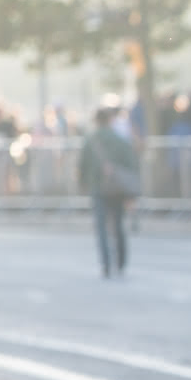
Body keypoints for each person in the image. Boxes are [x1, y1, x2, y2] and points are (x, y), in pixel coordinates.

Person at [77, 104, 141, 278]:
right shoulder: (120, 139)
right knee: (118, 224)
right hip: (118, 188)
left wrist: (83, 185)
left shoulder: (90, 140)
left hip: (98, 187)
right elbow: (131, 164)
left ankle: (106, 263)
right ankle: (120, 262)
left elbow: (82, 166)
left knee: (101, 226)